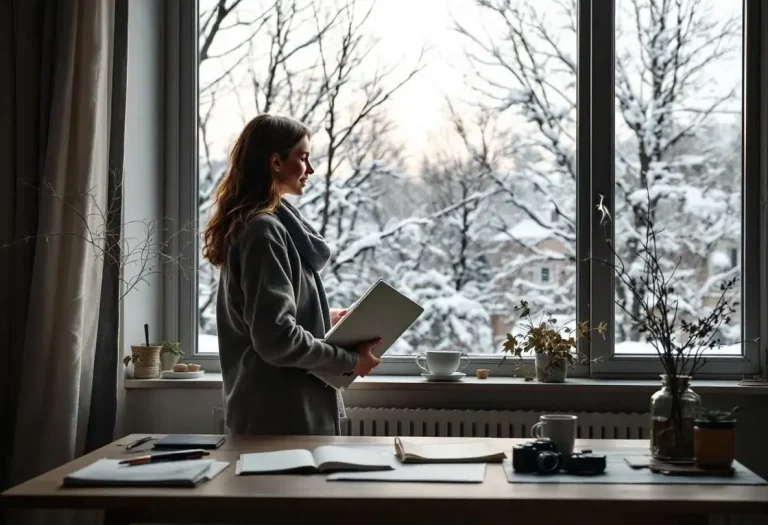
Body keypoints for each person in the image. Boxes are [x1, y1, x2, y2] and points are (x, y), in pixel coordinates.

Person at [202, 114, 382, 436]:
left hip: (283, 409)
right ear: (275, 162)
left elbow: (262, 318)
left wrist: (323, 318)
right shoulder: (263, 231)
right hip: (280, 413)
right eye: (303, 157)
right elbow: (275, 339)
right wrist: (349, 361)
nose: (310, 169)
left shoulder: (263, 227)